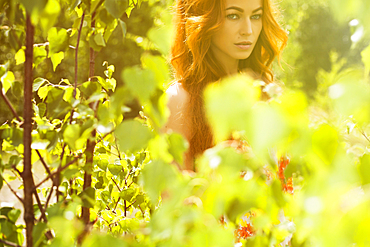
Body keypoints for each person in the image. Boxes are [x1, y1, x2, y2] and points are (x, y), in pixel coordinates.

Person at [164, 0, 288, 170]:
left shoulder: (265, 91)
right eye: (233, 15)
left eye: (256, 16)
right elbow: (172, 194)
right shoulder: (179, 100)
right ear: (202, 16)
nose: (248, 30)